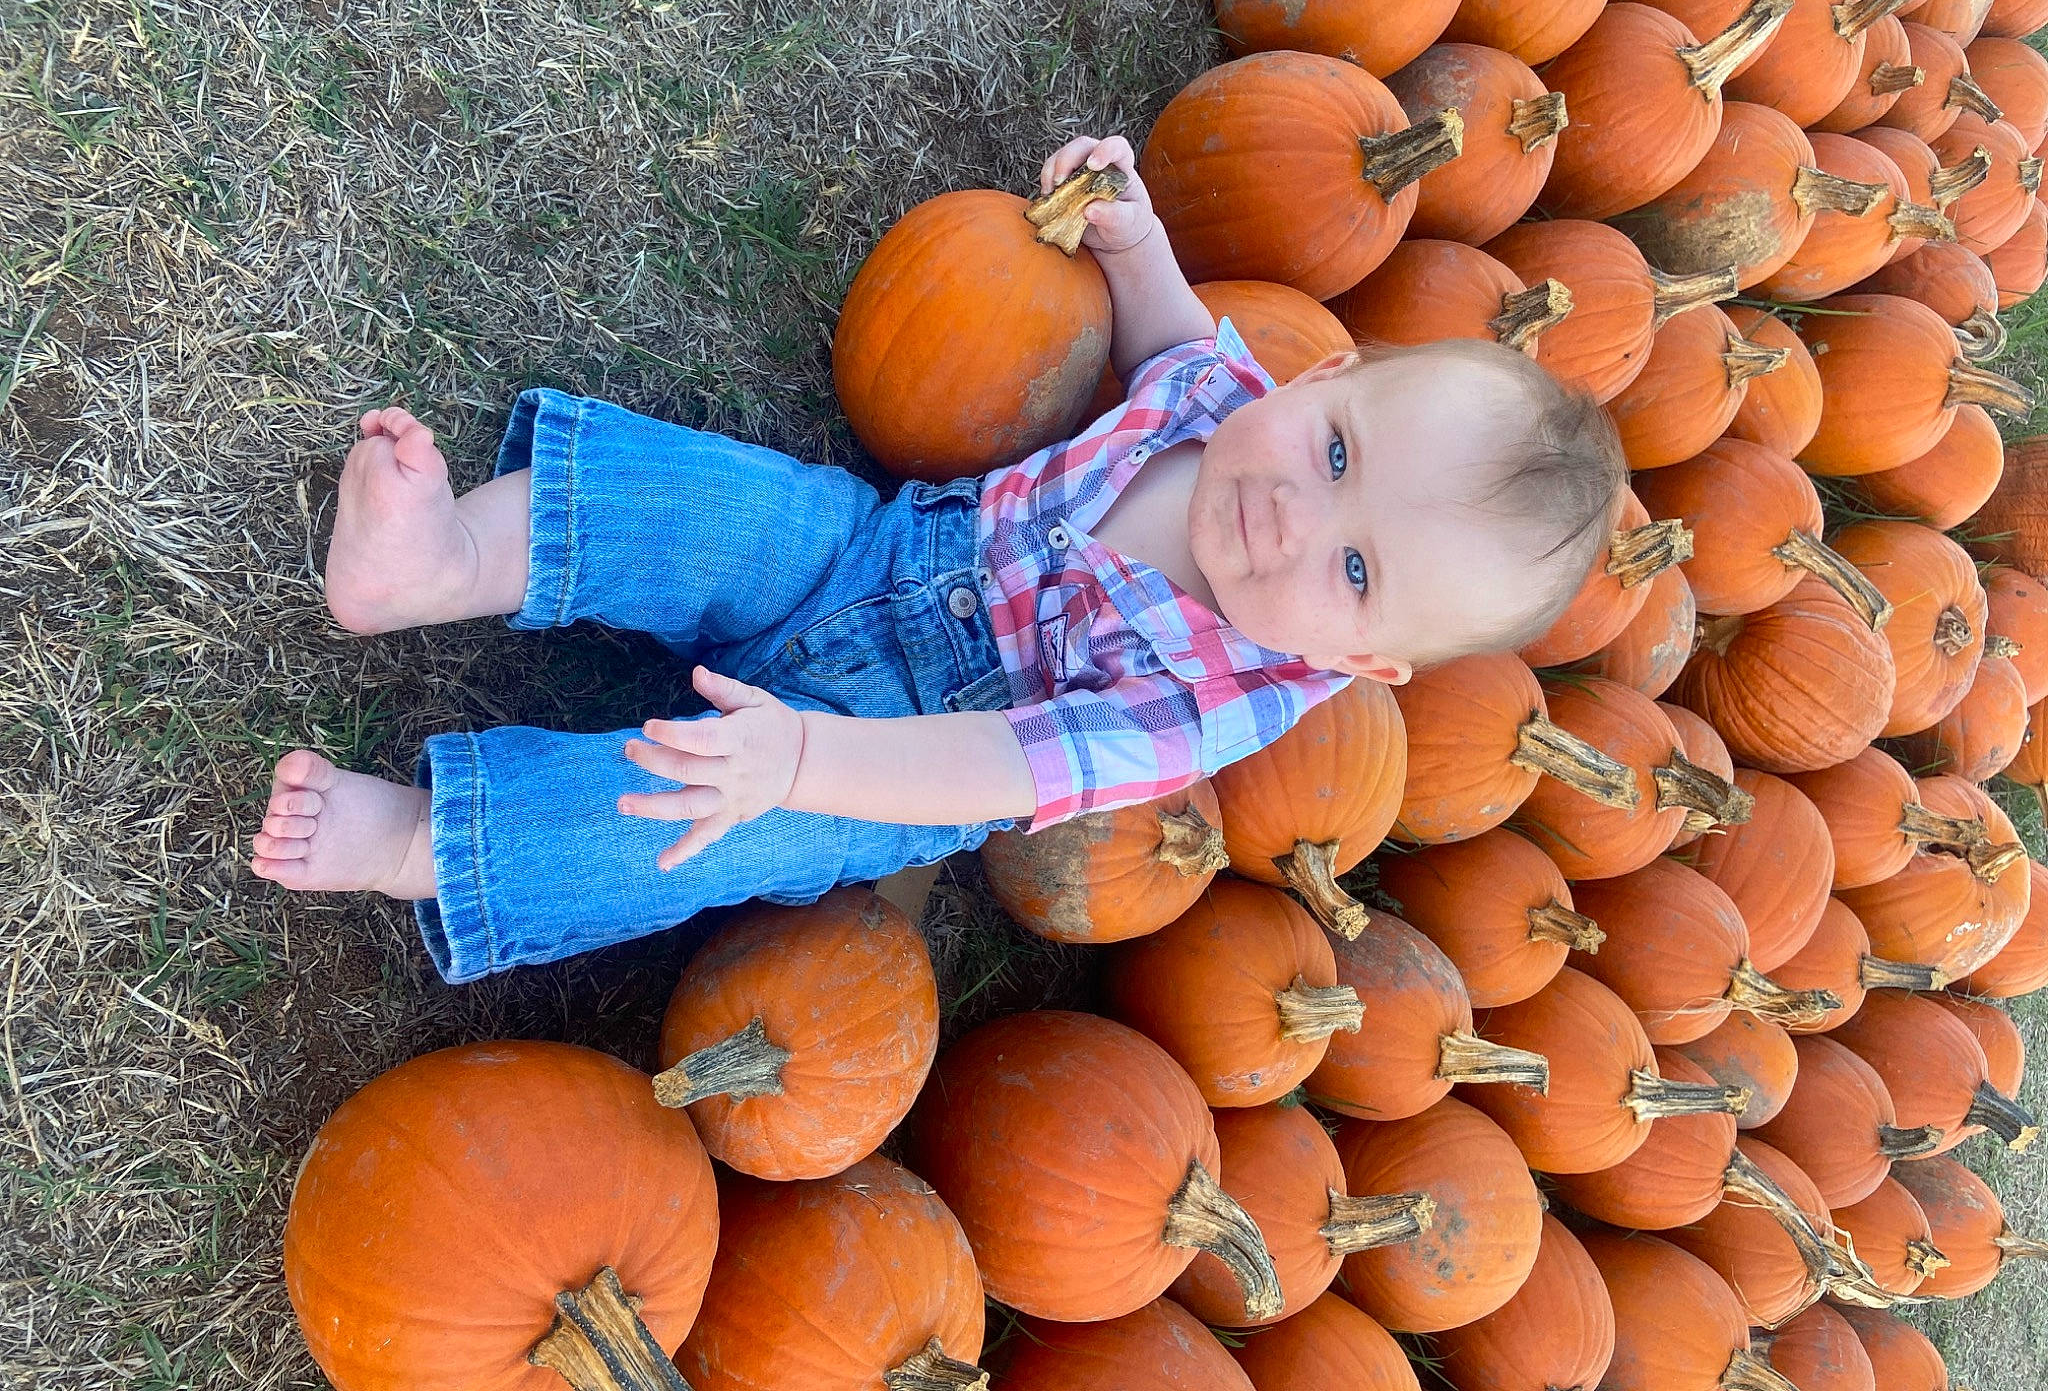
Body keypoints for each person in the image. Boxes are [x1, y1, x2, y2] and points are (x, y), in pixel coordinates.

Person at [249, 134, 1627, 983]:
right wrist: (1134, 243)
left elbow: (988, 768)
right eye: (1336, 454)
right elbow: (1169, 346)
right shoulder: (1234, 401)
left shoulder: (1206, 708)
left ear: (1361, 662)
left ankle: (428, 841)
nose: (1295, 517)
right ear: (1326, 376)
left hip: (881, 754)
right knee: (720, 508)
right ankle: (446, 557)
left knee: (673, 833)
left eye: (1356, 571)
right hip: (874, 552)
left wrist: (797, 761)